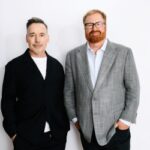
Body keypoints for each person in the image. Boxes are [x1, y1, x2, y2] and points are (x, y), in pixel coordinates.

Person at [64, 9, 140, 150]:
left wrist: (126, 120)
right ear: (84, 28)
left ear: (105, 26)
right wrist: (75, 119)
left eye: (98, 23)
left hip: (116, 130)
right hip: (88, 132)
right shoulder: (73, 56)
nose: (94, 28)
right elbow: (68, 91)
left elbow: (133, 89)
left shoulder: (124, 53)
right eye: (89, 24)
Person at [1, 17, 69, 150]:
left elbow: (62, 98)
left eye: (41, 35)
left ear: (48, 38)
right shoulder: (14, 67)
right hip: (25, 139)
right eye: (32, 35)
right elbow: (7, 102)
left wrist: (63, 130)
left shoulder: (57, 66)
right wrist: (13, 134)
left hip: (56, 137)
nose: (37, 40)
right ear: (26, 38)